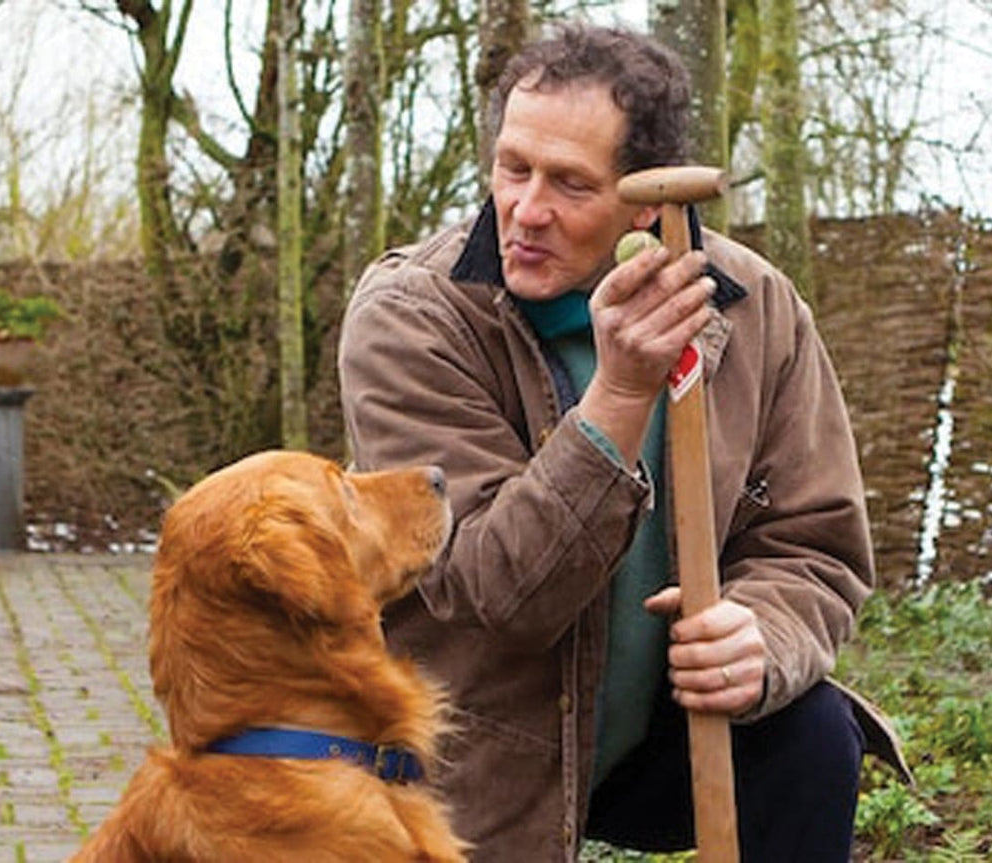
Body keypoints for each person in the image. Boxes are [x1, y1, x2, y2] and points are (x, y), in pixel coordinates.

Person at [338, 22, 909, 862]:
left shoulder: (759, 310)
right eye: (512, 167)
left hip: (657, 736)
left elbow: (815, 543)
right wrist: (620, 393)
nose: (526, 211)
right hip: (472, 750)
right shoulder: (412, 318)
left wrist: (762, 633)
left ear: (646, 200)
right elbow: (501, 592)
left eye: (570, 183)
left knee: (813, 736)